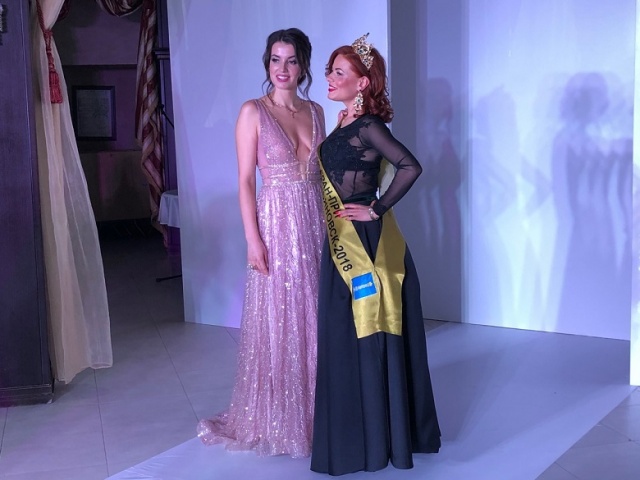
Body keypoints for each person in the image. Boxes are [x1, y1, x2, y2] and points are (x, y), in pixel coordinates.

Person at [310, 34, 441, 475]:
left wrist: (377, 208)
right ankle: (362, 437)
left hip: (366, 246)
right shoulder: (346, 123)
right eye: (329, 70)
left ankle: (375, 440)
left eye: (339, 72)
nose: (329, 78)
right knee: (345, 337)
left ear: (363, 83)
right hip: (341, 240)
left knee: (368, 334)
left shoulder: (368, 126)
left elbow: (410, 166)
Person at [197, 28, 326, 458]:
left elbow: (323, 178)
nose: (282, 69)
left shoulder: (316, 111)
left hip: (314, 223)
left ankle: (317, 411)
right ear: (266, 63)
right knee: (279, 316)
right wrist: (253, 239)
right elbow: (244, 181)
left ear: (303, 65)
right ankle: (279, 417)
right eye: (275, 59)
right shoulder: (253, 111)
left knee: (314, 314)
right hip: (276, 225)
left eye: (291, 60)